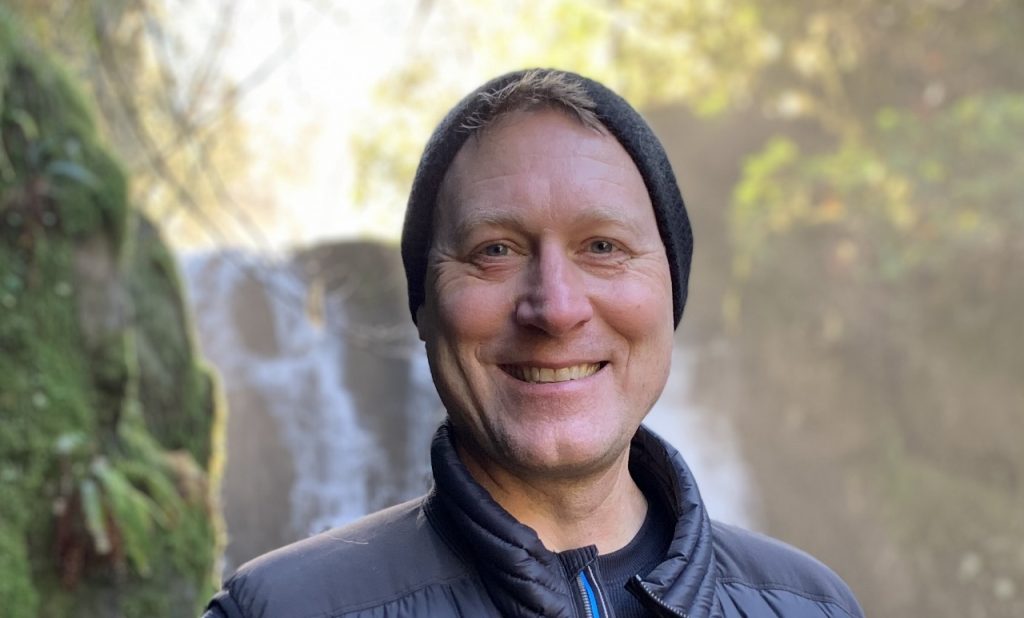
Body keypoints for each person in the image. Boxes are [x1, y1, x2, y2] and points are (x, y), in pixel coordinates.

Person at [202, 69, 864, 618]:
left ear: (671, 292)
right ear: (424, 309)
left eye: (602, 247)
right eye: (494, 251)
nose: (555, 307)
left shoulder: (813, 605)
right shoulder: (276, 610)